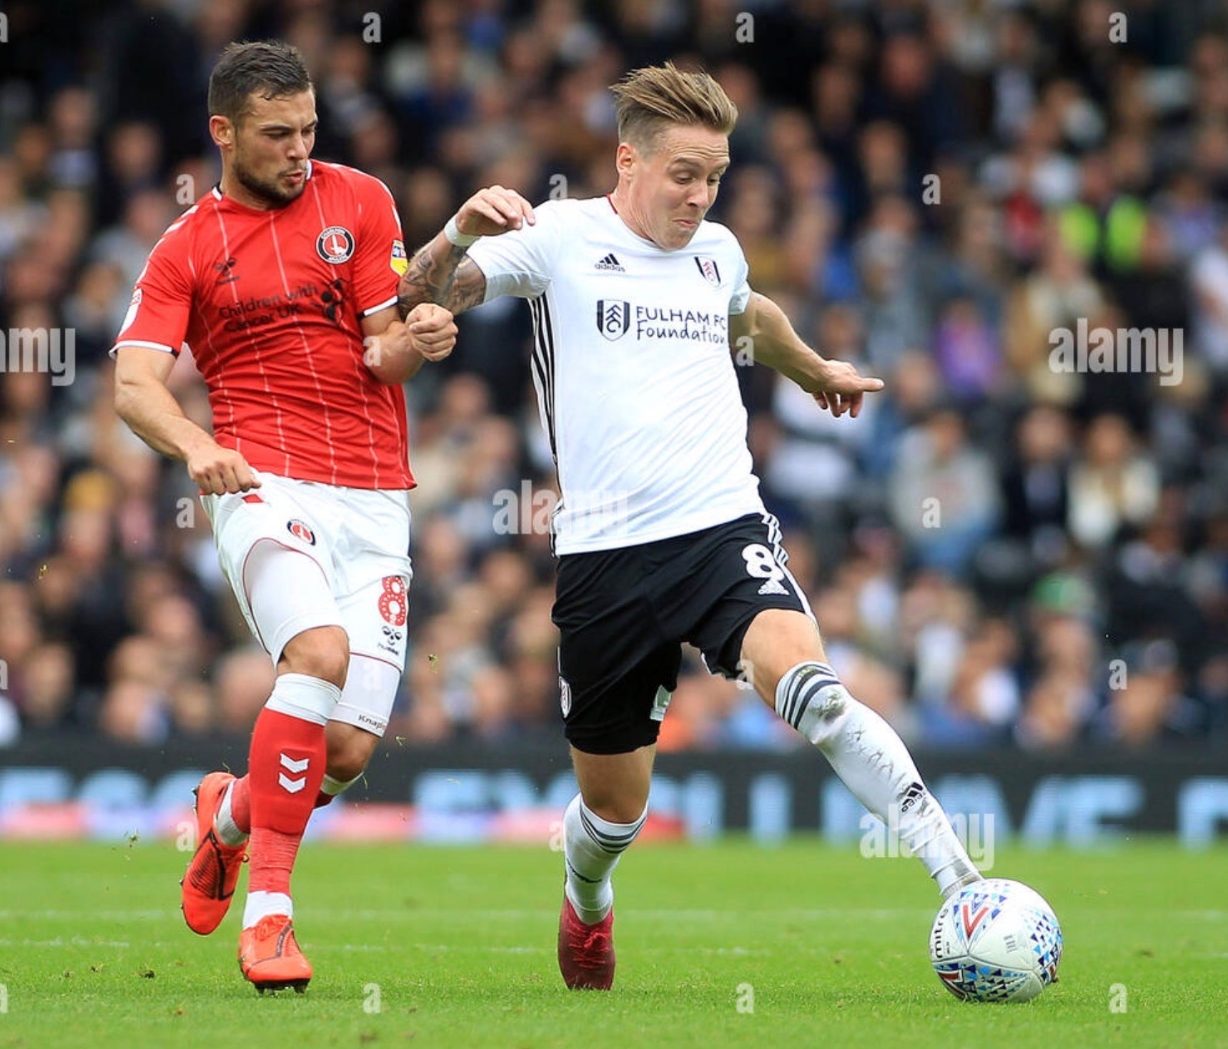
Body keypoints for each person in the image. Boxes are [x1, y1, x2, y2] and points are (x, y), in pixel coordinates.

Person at [400, 63, 983, 991]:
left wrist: (815, 371)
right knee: (614, 812)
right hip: (602, 559)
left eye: (713, 176)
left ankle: (963, 886)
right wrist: (459, 230)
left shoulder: (717, 250)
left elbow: (750, 315)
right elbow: (420, 295)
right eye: (683, 174)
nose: (700, 195)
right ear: (627, 161)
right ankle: (588, 894)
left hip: (721, 530)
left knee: (818, 693)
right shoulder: (558, 237)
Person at [112, 41, 456, 993]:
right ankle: (270, 916)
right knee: (316, 653)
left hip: (376, 496)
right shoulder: (186, 246)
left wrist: (420, 337)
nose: (300, 149)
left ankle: (228, 817)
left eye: (308, 129)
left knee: (344, 750)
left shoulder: (363, 200)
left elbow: (384, 352)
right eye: (277, 134)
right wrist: (195, 445)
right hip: (262, 483)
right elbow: (133, 383)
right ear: (222, 133)